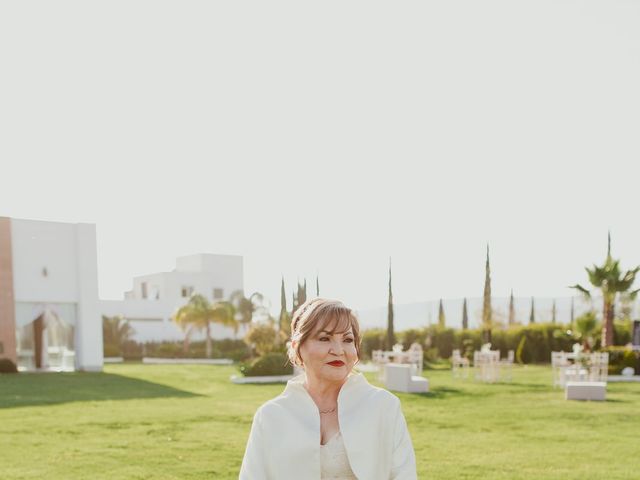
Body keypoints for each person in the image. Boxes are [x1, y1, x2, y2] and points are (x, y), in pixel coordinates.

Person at [239, 297, 418, 479]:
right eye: (325, 338)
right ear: (297, 347)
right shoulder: (270, 416)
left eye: (348, 340)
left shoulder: (384, 406)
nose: (339, 350)